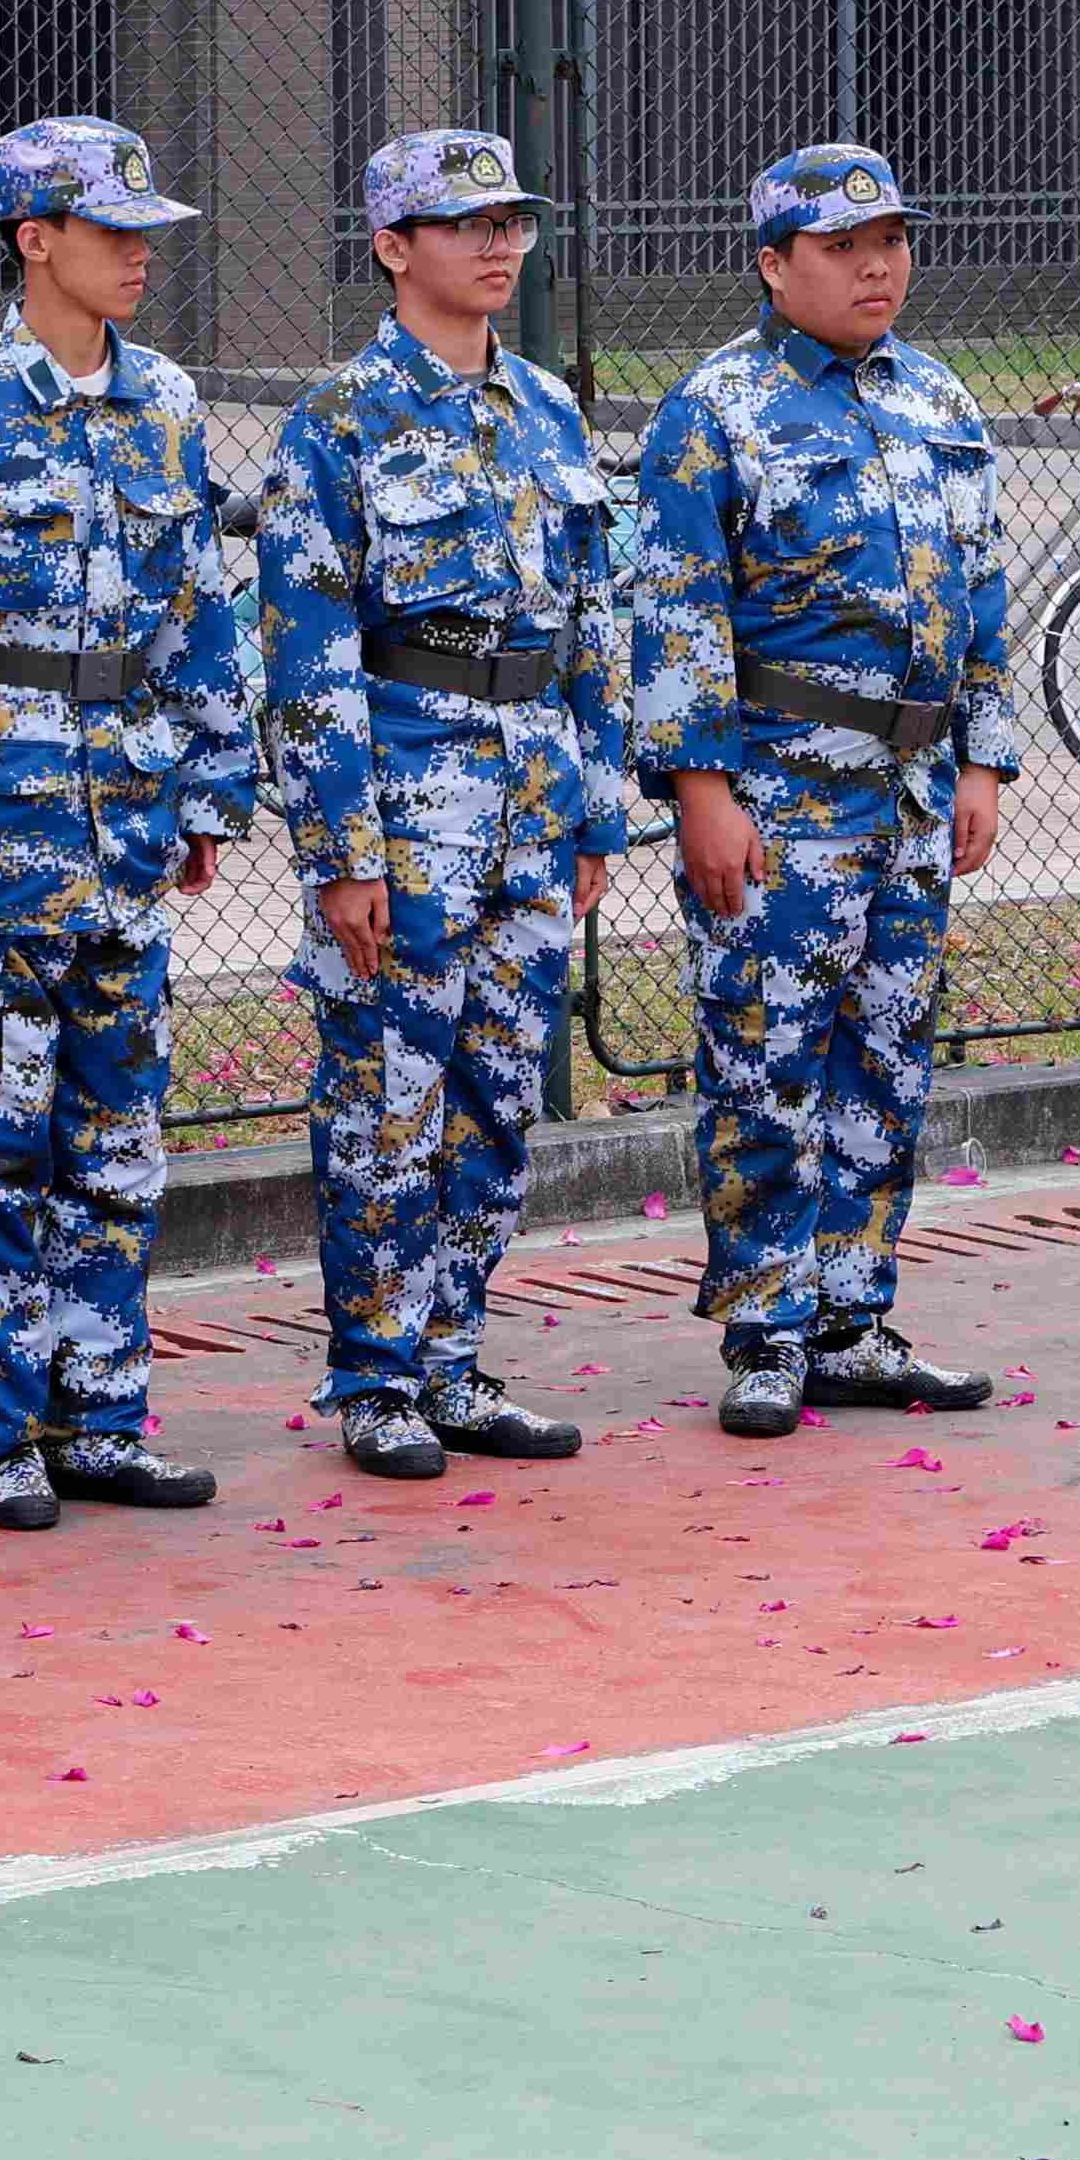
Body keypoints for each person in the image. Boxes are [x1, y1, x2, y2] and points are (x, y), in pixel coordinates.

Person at [0, 118, 258, 1532]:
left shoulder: (167, 402)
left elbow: (199, 606)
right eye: (112, 230)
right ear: (35, 240)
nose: (140, 255)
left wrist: (212, 784)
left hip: (129, 819)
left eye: (148, 231)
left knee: (117, 1137)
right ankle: (0, 1430)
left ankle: (100, 1411)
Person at [255, 127, 627, 1482]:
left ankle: (455, 1359)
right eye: (466, 224)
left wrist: (597, 811)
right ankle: (377, 1377)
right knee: (385, 1106)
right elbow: (307, 650)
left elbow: (592, 621)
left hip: (531, 806)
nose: (497, 245)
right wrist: (342, 850)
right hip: (410, 813)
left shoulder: (547, 408)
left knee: (499, 1101)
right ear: (393, 246)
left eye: (510, 222)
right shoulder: (338, 419)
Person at [635, 142, 1016, 1439]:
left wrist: (981, 758)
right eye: (843, 247)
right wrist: (701, 792)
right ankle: (767, 1329)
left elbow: (983, 592)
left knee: (887, 1061)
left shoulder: (939, 398)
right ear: (772, 263)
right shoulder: (716, 410)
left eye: (891, 241)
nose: (875, 267)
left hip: (910, 792)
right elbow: (678, 614)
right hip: (780, 794)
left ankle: (854, 1316)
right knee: (764, 1061)